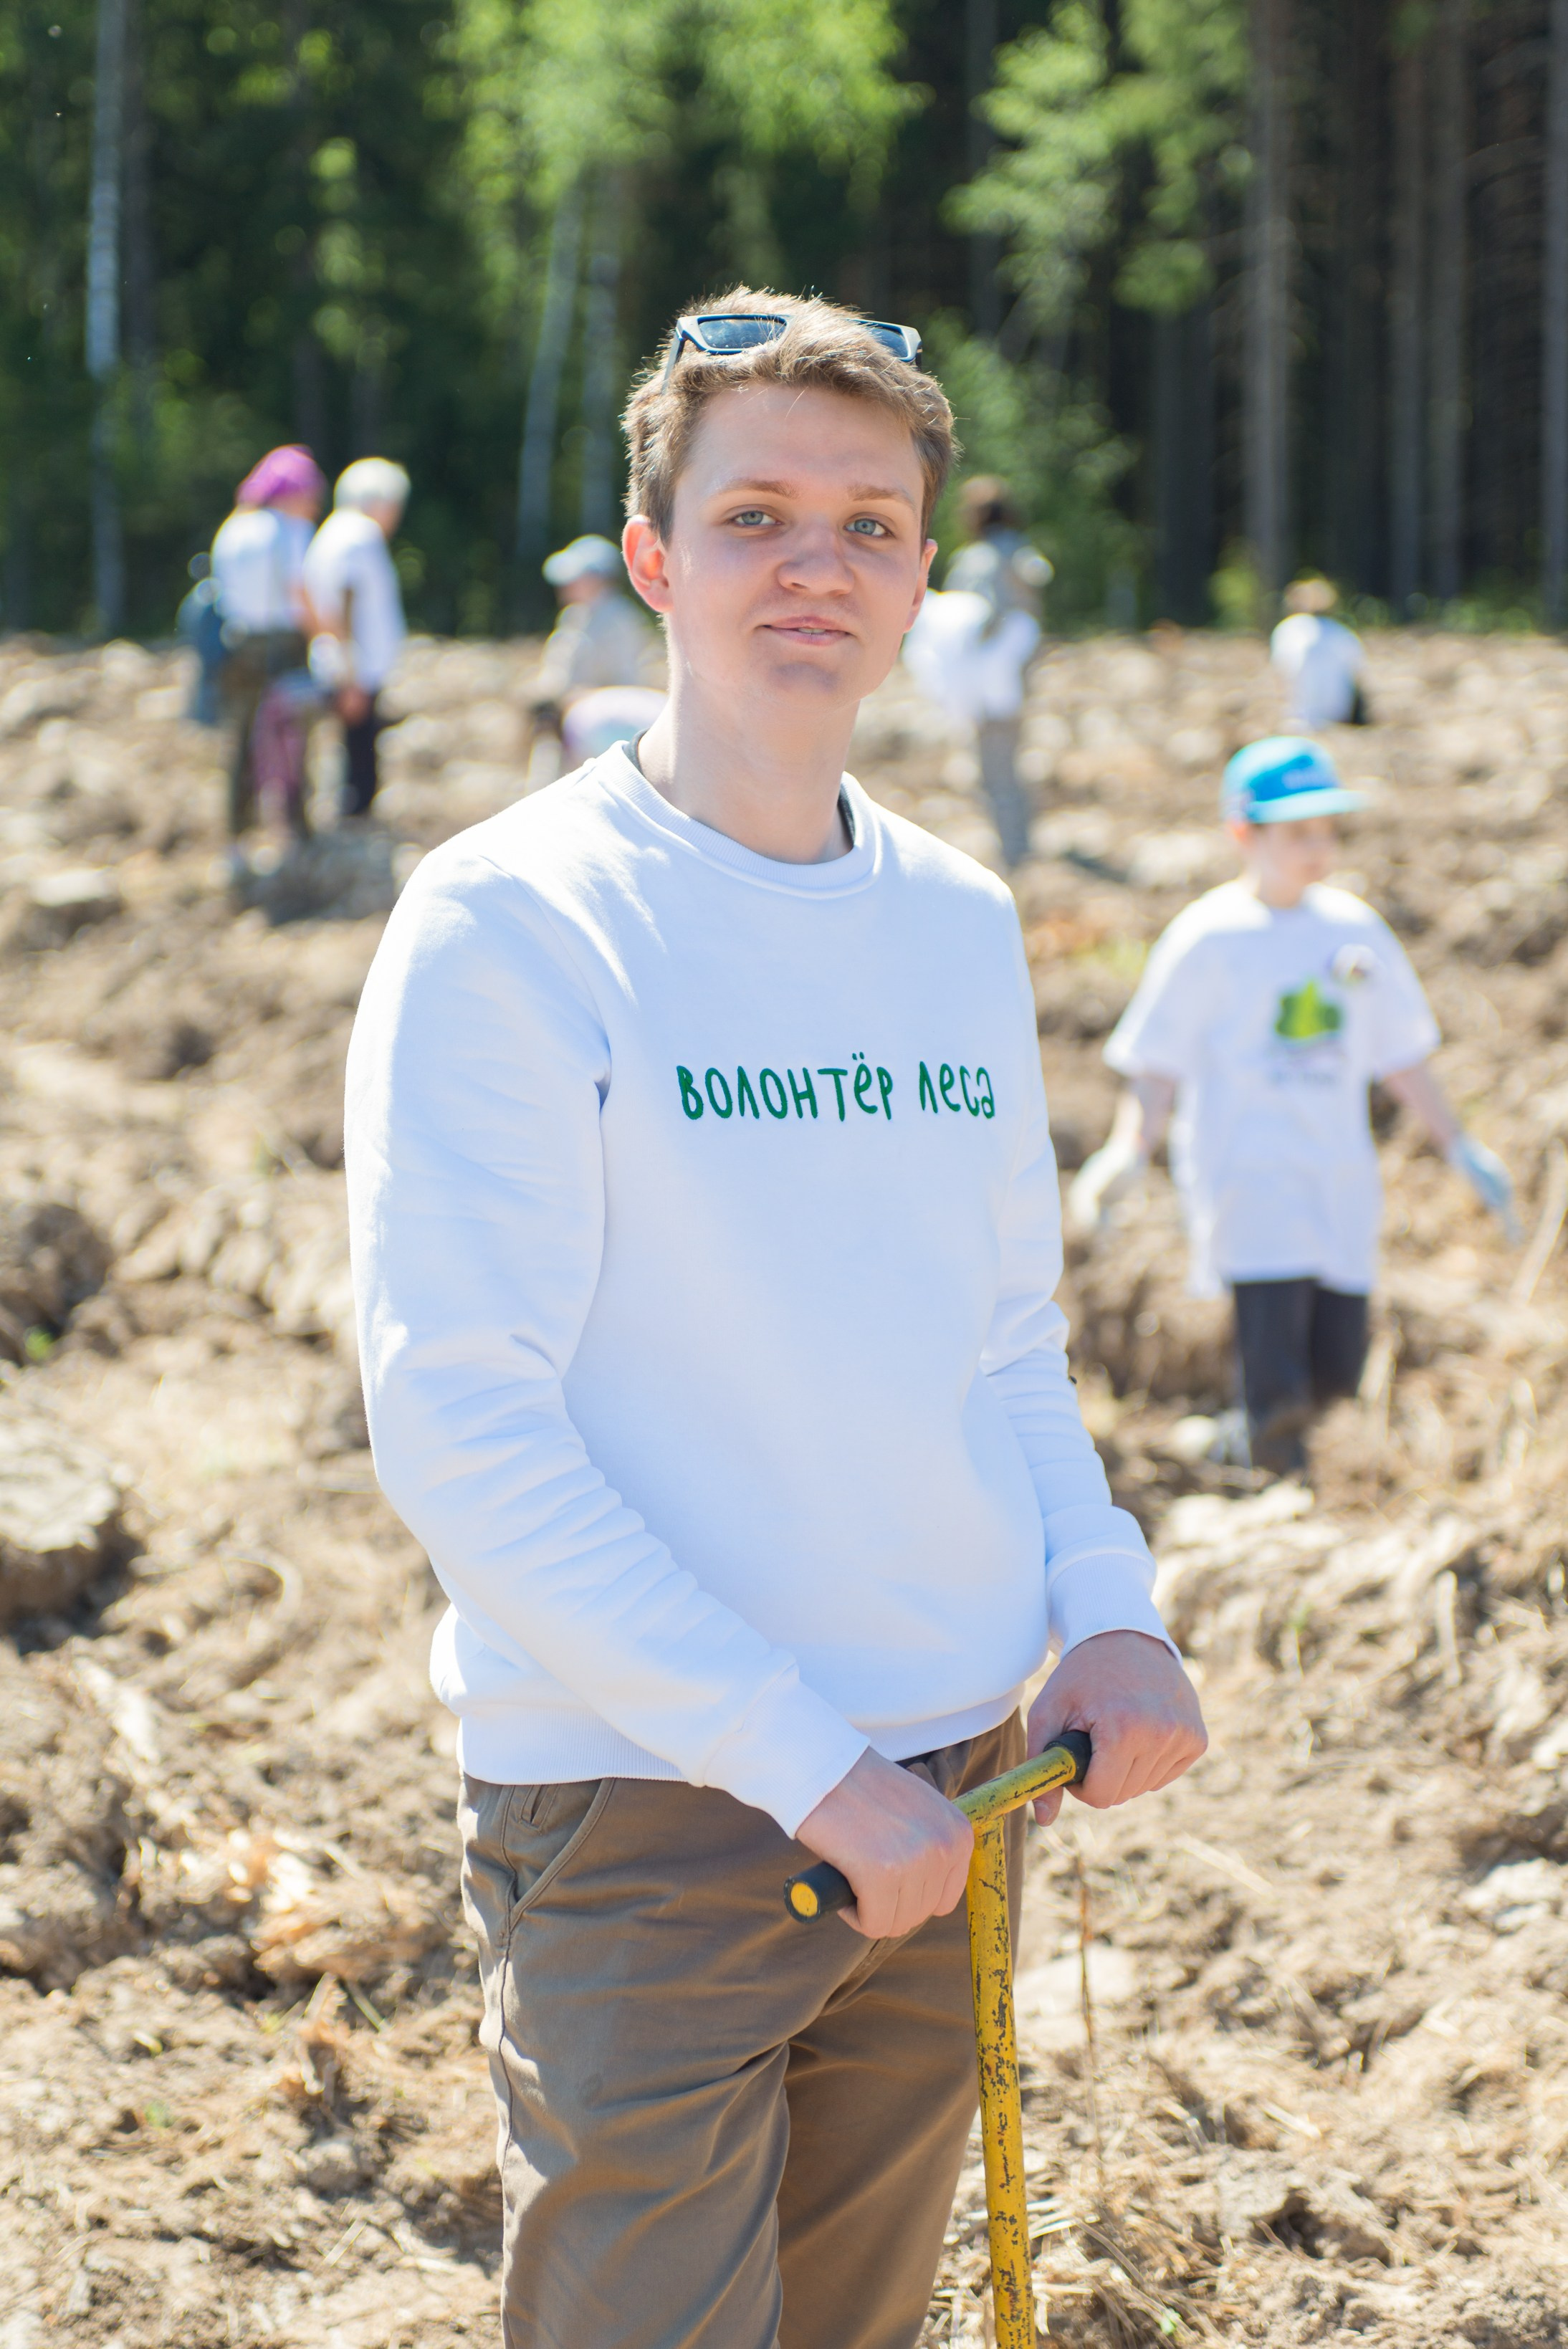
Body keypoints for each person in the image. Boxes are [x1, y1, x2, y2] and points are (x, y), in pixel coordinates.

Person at [345, 289, 1205, 2349]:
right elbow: (464, 1426)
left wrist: (1105, 1603)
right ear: (654, 559)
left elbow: (1003, 1340)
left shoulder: (952, 918)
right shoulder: (513, 918)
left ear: (919, 578)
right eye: (753, 519)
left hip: (951, 1788)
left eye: (866, 527)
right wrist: (805, 1767)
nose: (813, 565)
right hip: (654, 1811)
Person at [1069, 737, 1517, 1477]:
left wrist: (1459, 1144)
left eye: (1326, 830)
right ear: (1242, 833)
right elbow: (1157, 1062)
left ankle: (1241, 1442)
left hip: (1335, 1173)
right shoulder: (1208, 938)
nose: (1317, 848)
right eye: (1297, 832)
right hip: (1249, 1176)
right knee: (1274, 1357)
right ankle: (1274, 1474)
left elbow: (1399, 1055)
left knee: (1337, 1368)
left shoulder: (1353, 930)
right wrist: (1128, 1148)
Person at [902, 476, 1050, 867]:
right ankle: (1019, 845)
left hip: (988, 682)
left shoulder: (980, 560)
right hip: (1016, 678)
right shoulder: (1022, 552)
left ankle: (1014, 855)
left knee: (995, 768)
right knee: (1009, 762)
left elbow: (974, 620)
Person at [208, 444, 325, 838]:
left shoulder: (232, 528)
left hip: (239, 645)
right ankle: (295, 829)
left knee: (242, 740)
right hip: (285, 646)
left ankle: (238, 833)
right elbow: (301, 593)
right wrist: (325, 638)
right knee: (293, 741)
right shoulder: (291, 530)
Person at [302, 457, 410, 820]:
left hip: (345, 661)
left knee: (352, 743)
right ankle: (353, 815)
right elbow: (346, 602)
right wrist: (351, 674)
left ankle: (348, 809)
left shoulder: (334, 531)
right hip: (353, 666)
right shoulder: (359, 535)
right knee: (358, 747)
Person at [531, 532, 665, 766]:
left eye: (576, 578)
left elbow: (622, 685)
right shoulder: (575, 615)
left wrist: (577, 699)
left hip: (599, 728)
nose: (566, 586)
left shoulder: (620, 620)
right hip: (564, 723)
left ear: (598, 579)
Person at [1269, 575, 1367, 729]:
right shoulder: (1342, 632)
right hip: (1339, 714)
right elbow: (1358, 671)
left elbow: (1282, 672)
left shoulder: (1289, 629)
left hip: (1302, 716)